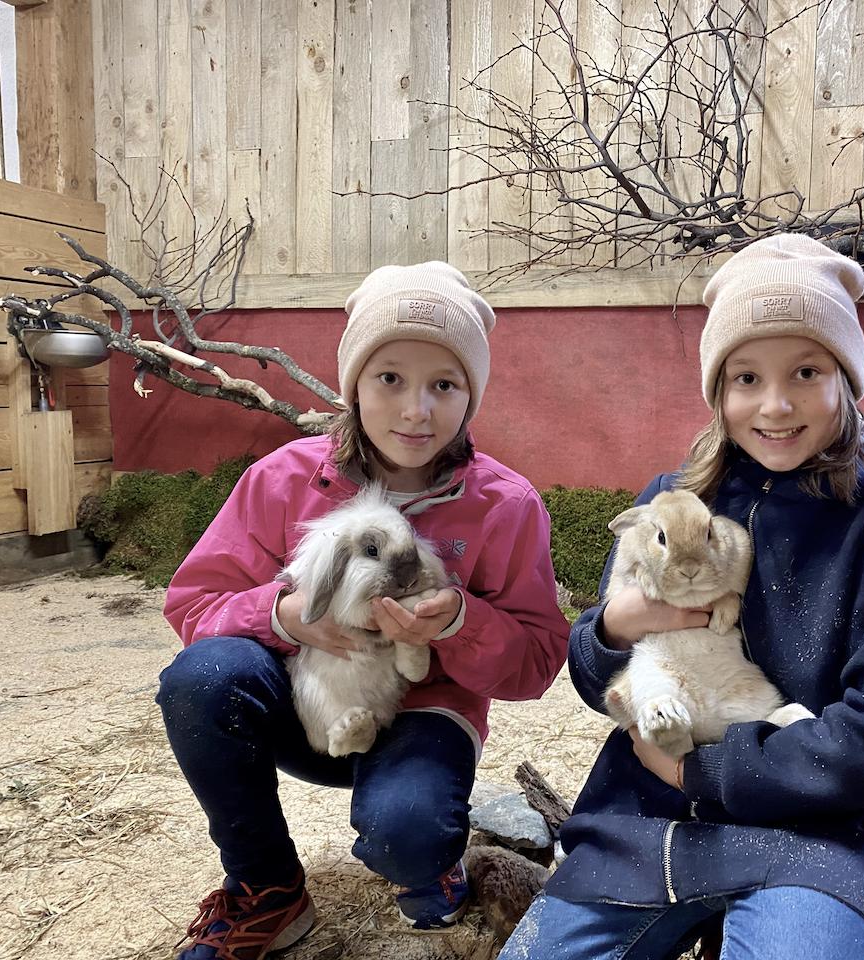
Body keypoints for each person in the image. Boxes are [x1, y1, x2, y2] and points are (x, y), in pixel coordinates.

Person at [499, 234, 864, 960]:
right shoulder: (670, 500)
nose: (775, 404)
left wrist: (698, 771)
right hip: (644, 823)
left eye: (806, 371)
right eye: (746, 377)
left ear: (846, 379)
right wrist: (611, 630)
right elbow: (593, 679)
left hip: (814, 835)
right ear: (718, 391)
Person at [157, 262, 570, 959]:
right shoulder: (283, 478)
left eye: (445, 385)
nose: (416, 411)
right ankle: (266, 888)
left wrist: (459, 623)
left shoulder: (507, 505)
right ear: (353, 384)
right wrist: (285, 617)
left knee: (406, 833)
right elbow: (194, 602)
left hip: (423, 712)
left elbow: (535, 662)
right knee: (203, 678)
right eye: (390, 379)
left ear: (472, 393)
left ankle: (430, 857)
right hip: (309, 696)